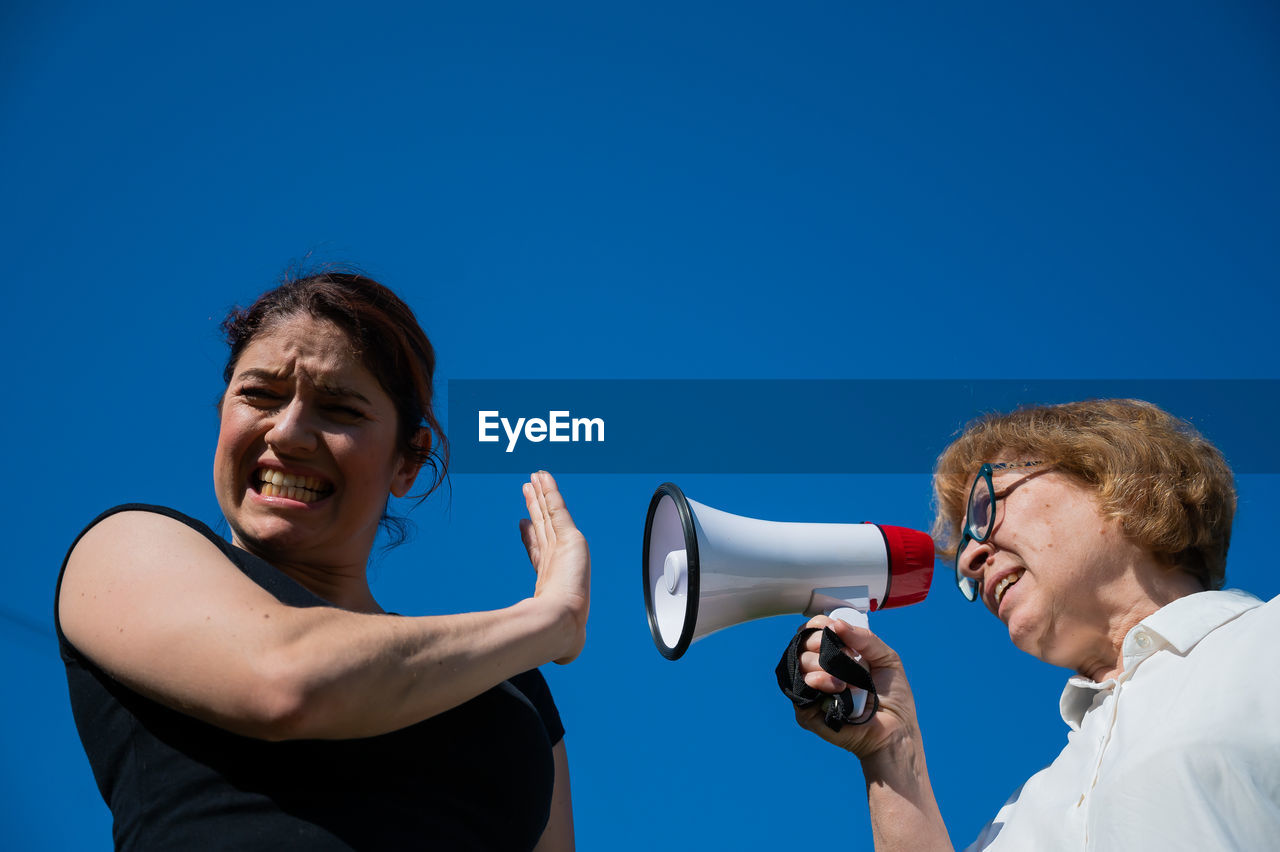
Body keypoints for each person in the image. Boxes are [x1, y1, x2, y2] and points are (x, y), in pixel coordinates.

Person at [55, 270, 591, 851]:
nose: (288, 434)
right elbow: (287, 682)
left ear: (409, 461)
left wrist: (539, 634)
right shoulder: (128, 547)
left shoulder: (512, 682)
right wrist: (549, 621)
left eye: (339, 409)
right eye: (259, 395)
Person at [785, 399, 1280, 850]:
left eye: (985, 506)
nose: (970, 561)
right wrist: (892, 752)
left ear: (1117, 481)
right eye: (962, 558)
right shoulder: (1022, 816)